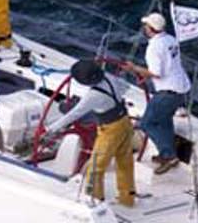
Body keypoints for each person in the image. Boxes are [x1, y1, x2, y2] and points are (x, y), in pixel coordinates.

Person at [41, 59, 135, 206]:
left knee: (94, 169)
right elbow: (125, 87)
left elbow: (75, 113)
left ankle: (95, 202)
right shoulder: (109, 77)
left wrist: (51, 129)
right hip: (125, 122)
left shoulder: (94, 95)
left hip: (110, 131)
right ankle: (127, 198)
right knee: (125, 162)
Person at [120, 11, 192, 175]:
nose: (144, 27)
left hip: (167, 92)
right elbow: (166, 66)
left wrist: (133, 68)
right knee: (164, 120)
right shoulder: (170, 39)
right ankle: (166, 153)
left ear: (150, 29)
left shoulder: (153, 47)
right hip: (180, 89)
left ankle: (169, 156)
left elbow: (156, 72)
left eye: (146, 25)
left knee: (147, 123)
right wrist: (145, 77)